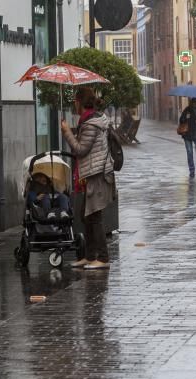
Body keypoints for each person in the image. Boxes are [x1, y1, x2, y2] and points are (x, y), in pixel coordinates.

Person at [60, 87, 115, 270]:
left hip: (97, 173)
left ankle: (103, 258)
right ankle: (90, 256)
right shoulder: (88, 121)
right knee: (86, 215)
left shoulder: (91, 124)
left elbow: (81, 150)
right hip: (92, 173)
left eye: (75, 102)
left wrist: (67, 132)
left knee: (94, 216)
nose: (74, 105)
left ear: (79, 102)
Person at [179, 97, 196, 177]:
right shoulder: (187, 110)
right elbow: (181, 120)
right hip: (187, 134)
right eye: (194, 102)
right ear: (192, 103)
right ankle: (191, 170)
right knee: (189, 152)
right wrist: (185, 117)